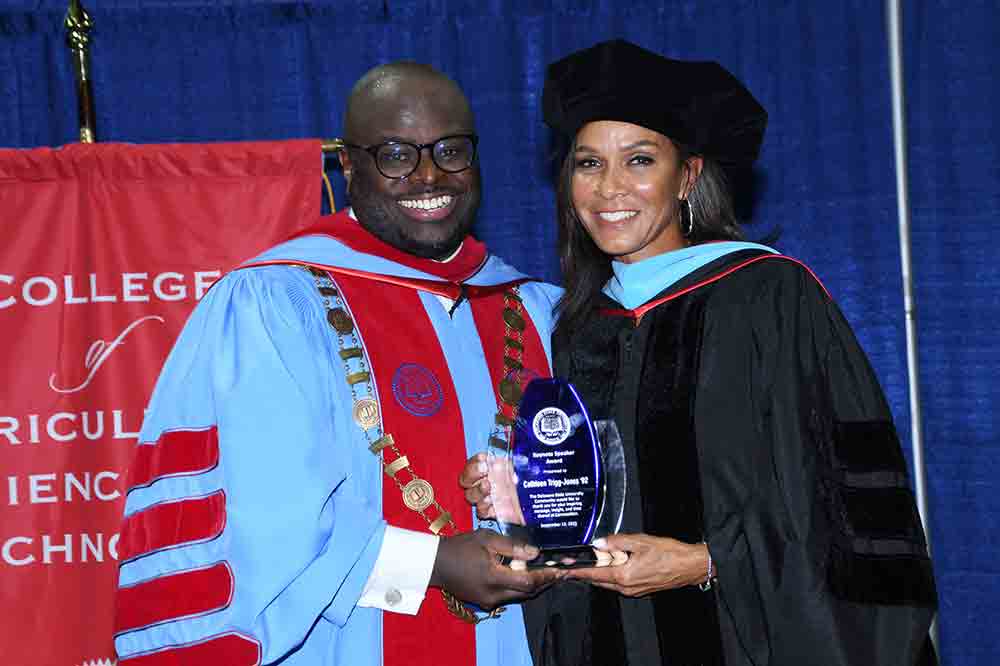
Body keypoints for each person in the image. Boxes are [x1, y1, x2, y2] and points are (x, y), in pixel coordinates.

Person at [463, 39, 938, 665]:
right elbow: (602, 500)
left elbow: (849, 513)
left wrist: (707, 563)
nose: (610, 189)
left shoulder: (770, 298)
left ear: (688, 175)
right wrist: (526, 498)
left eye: (639, 160)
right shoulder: (577, 328)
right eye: (587, 164)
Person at [113, 62, 563, 666]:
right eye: (397, 155)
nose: (429, 175)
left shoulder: (535, 308)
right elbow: (256, 522)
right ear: (348, 165)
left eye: (451, 151)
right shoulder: (276, 304)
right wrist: (432, 564)